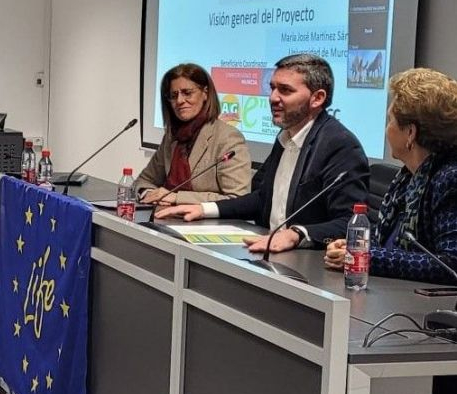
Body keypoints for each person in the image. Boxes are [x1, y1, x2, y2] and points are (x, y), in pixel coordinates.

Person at [156, 54, 371, 253]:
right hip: (267, 249)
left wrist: (297, 234)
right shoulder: (286, 137)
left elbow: (351, 222)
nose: (273, 98)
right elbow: (262, 199)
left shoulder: (340, 145)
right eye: (272, 88)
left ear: (317, 98)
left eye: (285, 90)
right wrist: (205, 209)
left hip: (310, 262)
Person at [323, 68, 457, 283]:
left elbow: (450, 264)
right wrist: (355, 246)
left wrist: (367, 257)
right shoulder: (407, 178)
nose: (387, 129)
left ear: (410, 133)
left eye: (390, 121)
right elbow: (390, 242)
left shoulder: (449, 179)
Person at [136, 63, 251, 206]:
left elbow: (238, 199)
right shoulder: (172, 137)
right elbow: (143, 181)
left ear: (205, 93)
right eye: (173, 95)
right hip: (165, 218)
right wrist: (149, 194)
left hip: (205, 226)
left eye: (187, 93)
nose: (179, 101)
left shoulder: (228, 138)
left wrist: (176, 198)